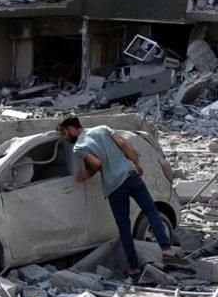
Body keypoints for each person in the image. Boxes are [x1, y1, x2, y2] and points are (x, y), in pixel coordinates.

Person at [58, 116, 174, 277]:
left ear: (71, 129)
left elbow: (96, 164)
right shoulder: (102, 128)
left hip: (115, 187)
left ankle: (134, 267)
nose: (65, 136)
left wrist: (84, 175)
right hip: (130, 175)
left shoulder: (79, 147)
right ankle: (166, 248)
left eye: (64, 132)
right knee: (150, 210)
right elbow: (123, 144)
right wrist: (137, 163)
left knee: (124, 227)